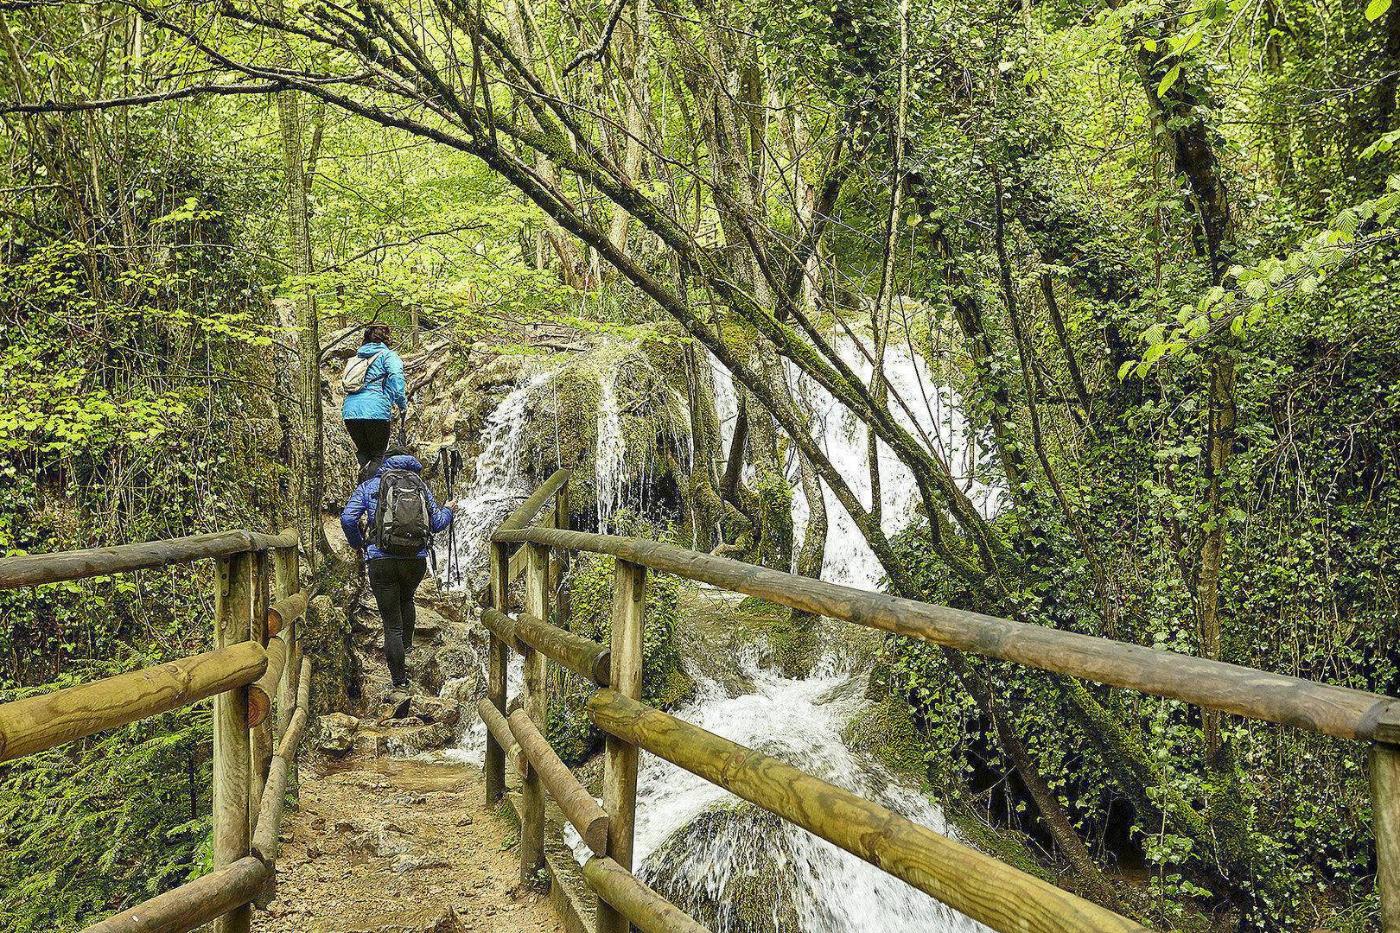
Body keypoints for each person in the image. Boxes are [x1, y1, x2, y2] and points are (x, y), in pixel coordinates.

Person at [340, 452, 457, 691]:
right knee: (407, 599)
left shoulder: (371, 485)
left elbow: (348, 518)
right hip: (415, 561)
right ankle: (407, 649)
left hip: (381, 560)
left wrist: (359, 543)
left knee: (391, 622)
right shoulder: (420, 486)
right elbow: (437, 524)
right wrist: (449, 510)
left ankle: (399, 681)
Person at [342, 324, 408, 471]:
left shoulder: (357, 357)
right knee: (378, 456)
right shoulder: (388, 355)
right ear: (386, 339)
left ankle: (357, 488)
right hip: (376, 410)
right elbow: (396, 377)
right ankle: (371, 493)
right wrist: (402, 405)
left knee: (363, 453)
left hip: (350, 412)